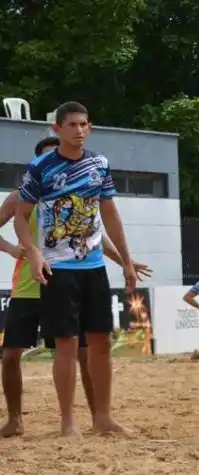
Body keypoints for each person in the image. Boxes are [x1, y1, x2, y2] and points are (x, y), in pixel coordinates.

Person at [0, 136, 151, 438]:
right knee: (11, 355)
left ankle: (99, 416)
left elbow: (97, 235)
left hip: (67, 277)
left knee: (83, 351)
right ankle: (16, 418)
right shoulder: (19, 197)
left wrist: (125, 261)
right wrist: (14, 249)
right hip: (29, 286)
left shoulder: (79, 192)